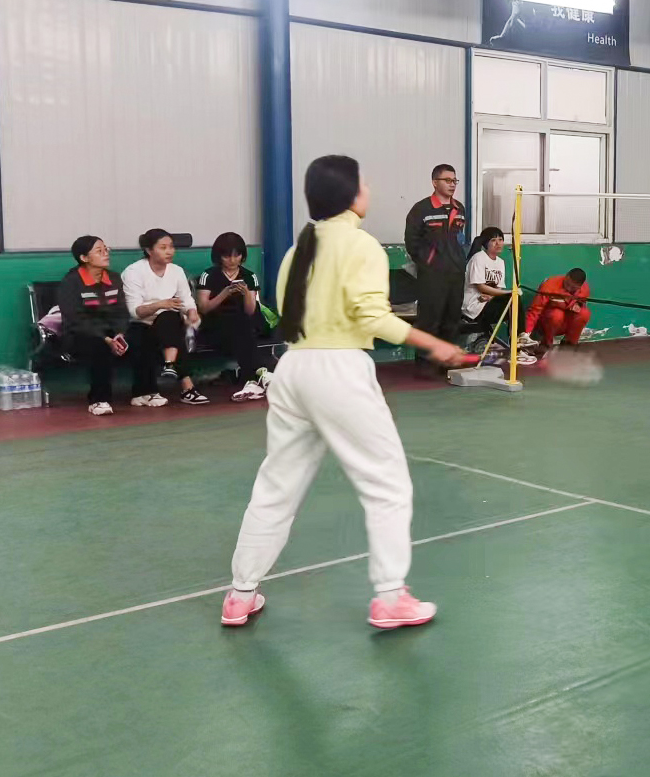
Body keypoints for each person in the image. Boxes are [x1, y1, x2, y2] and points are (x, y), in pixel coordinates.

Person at [221, 155, 468, 631]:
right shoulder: (362, 245)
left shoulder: (297, 251)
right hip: (339, 370)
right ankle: (391, 597)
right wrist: (434, 343)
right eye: (364, 183)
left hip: (292, 370)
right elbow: (372, 317)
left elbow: (288, 314)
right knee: (387, 484)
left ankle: (240, 593)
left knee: (276, 487)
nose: (368, 189)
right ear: (351, 195)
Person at [56, 236, 143, 416]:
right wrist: (106, 339)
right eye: (99, 251)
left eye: (106, 249)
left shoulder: (114, 278)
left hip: (111, 331)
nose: (106, 253)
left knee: (142, 335)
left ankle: (144, 392)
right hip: (80, 334)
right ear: (84, 258)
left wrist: (120, 334)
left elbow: (121, 311)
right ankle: (99, 400)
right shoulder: (71, 282)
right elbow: (75, 319)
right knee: (99, 347)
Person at [121, 228, 207, 406]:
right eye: (163, 247)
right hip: (141, 323)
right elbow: (134, 311)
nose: (169, 251)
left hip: (169, 322)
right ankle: (185, 385)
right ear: (149, 250)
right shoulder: (133, 272)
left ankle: (169, 367)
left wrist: (192, 312)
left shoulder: (176, 271)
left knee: (170, 319)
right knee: (164, 327)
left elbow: (186, 300)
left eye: (171, 247)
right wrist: (160, 304)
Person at [404, 164, 467, 375]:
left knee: (452, 319)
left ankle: (447, 362)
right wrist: (428, 263)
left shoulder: (460, 209)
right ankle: (425, 364)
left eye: (454, 181)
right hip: (432, 276)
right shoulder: (421, 209)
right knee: (429, 320)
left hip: (455, 274)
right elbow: (412, 242)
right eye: (447, 180)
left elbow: (459, 240)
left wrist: (458, 262)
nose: (452, 184)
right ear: (434, 183)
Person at [196, 232, 273, 402]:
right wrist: (224, 293)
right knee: (242, 329)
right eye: (227, 256)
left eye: (237, 255)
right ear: (219, 256)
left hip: (244, 324)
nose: (232, 260)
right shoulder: (208, 275)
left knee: (244, 324)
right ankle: (260, 374)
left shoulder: (249, 276)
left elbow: (251, 310)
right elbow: (204, 308)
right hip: (217, 325)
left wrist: (246, 294)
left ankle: (251, 380)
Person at [462, 226, 515, 345]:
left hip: (488, 303)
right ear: (486, 243)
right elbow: (480, 287)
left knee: (514, 301)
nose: (498, 243)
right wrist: (508, 292)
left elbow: (498, 287)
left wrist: (492, 297)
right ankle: (518, 337)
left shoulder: (500, 262)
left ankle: (517, 339)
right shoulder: (478, 258)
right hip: (474, 306)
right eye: (493, 240)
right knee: (512, 298)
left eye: (500, 240)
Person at [523, 268, 590, 354]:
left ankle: (569, 344)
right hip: (547, 323)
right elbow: (534, 311)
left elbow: (581, 304)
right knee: (557, 315)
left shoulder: (585, 289)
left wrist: (577, 305)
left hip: (565, 323)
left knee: (584, 314)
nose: (568, 288)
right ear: (566, 276)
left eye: (573, 288)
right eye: (567, 284)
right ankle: (546, 344)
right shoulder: (549, 285)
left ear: (580, 286)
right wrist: (526, 335)